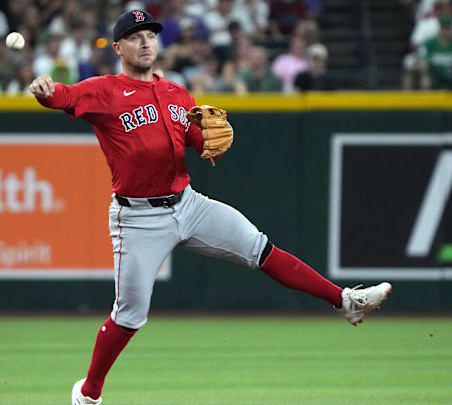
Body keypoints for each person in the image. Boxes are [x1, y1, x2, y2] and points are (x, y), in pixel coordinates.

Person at [29, 10, 392, 405]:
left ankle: (346, 302)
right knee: (130, 315)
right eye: (135, 37)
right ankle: (87, 394)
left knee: (260, 248)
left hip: (188, 203)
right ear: (118, 48)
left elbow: (197, 143)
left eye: (150, 34)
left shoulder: (176, 94)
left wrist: (208, 141)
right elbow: (62, 97)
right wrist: (47, 90)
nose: (146, 42)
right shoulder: (103, 90)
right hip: (138, 218)